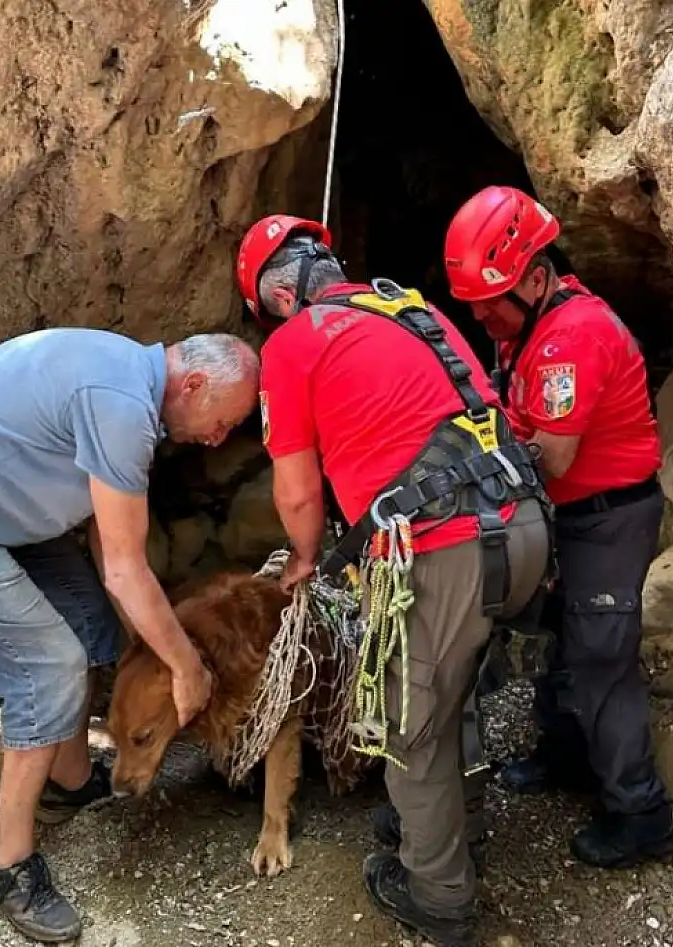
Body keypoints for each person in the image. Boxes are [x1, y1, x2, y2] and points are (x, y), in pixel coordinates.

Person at [0, 327, 260, 942]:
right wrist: (187, 668)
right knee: (49, 667)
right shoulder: (121, 406)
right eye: (224, 420)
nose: (218, 437)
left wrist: (146, 641)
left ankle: (69, 781)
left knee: (91, 623)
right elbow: (127, 569)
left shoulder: (128, 381)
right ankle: (8, 862)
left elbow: (108, 537)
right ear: (196, 385)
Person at [236, 214, 552, 947]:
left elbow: (295, 493)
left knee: (412, 729)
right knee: (455, 688)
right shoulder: (410, 305)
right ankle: (452, 824)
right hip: (525, 524)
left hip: (446, 548)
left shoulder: (291, 345)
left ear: (278, 299)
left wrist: (305, 555)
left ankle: (438, 894)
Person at [440, 184, 673, 870]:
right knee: (561, 638)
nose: (482, 315)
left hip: (606, 516)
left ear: (538, 277)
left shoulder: (573, 336)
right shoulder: (531, 329)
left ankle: (642, 812)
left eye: (493, 300)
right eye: (474, 303)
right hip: (570, 515)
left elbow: (552, 455)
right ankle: (571, 754)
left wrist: (467, 477)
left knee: (603, 657)